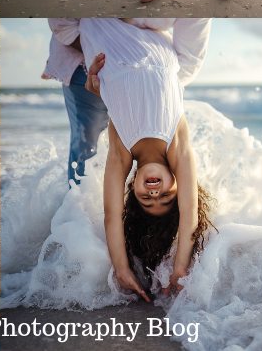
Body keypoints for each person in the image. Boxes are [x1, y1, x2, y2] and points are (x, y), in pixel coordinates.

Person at [46, 18, 214, 301]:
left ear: (132, 188)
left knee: (64, 24)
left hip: (102, 37)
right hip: (152, 39)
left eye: (146, 199)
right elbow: (189, 215)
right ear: (178, 184)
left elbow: (112, 216)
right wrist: (180, 268)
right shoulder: (176, 146)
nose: (153, 193)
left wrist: (122, 268)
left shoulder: (122, 150)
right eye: (164, 198)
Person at [42, 22, 108, 186]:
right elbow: (63, 25)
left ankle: (107, 203)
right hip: (81, 64)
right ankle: (78, 208)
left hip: (126, 66)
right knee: (88, 143)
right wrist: (108, 51)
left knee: (115, 143)